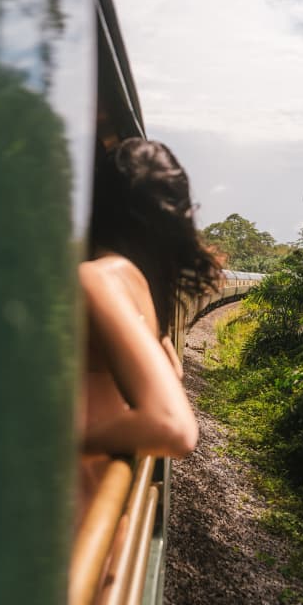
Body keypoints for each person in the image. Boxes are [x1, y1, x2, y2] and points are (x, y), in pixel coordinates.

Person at [79, 138, 219, 460]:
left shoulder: (100, 278)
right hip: (106, 490)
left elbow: (174, 426)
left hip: (80, 495)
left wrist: (52, 441)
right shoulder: (142, 285)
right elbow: (174, 372)